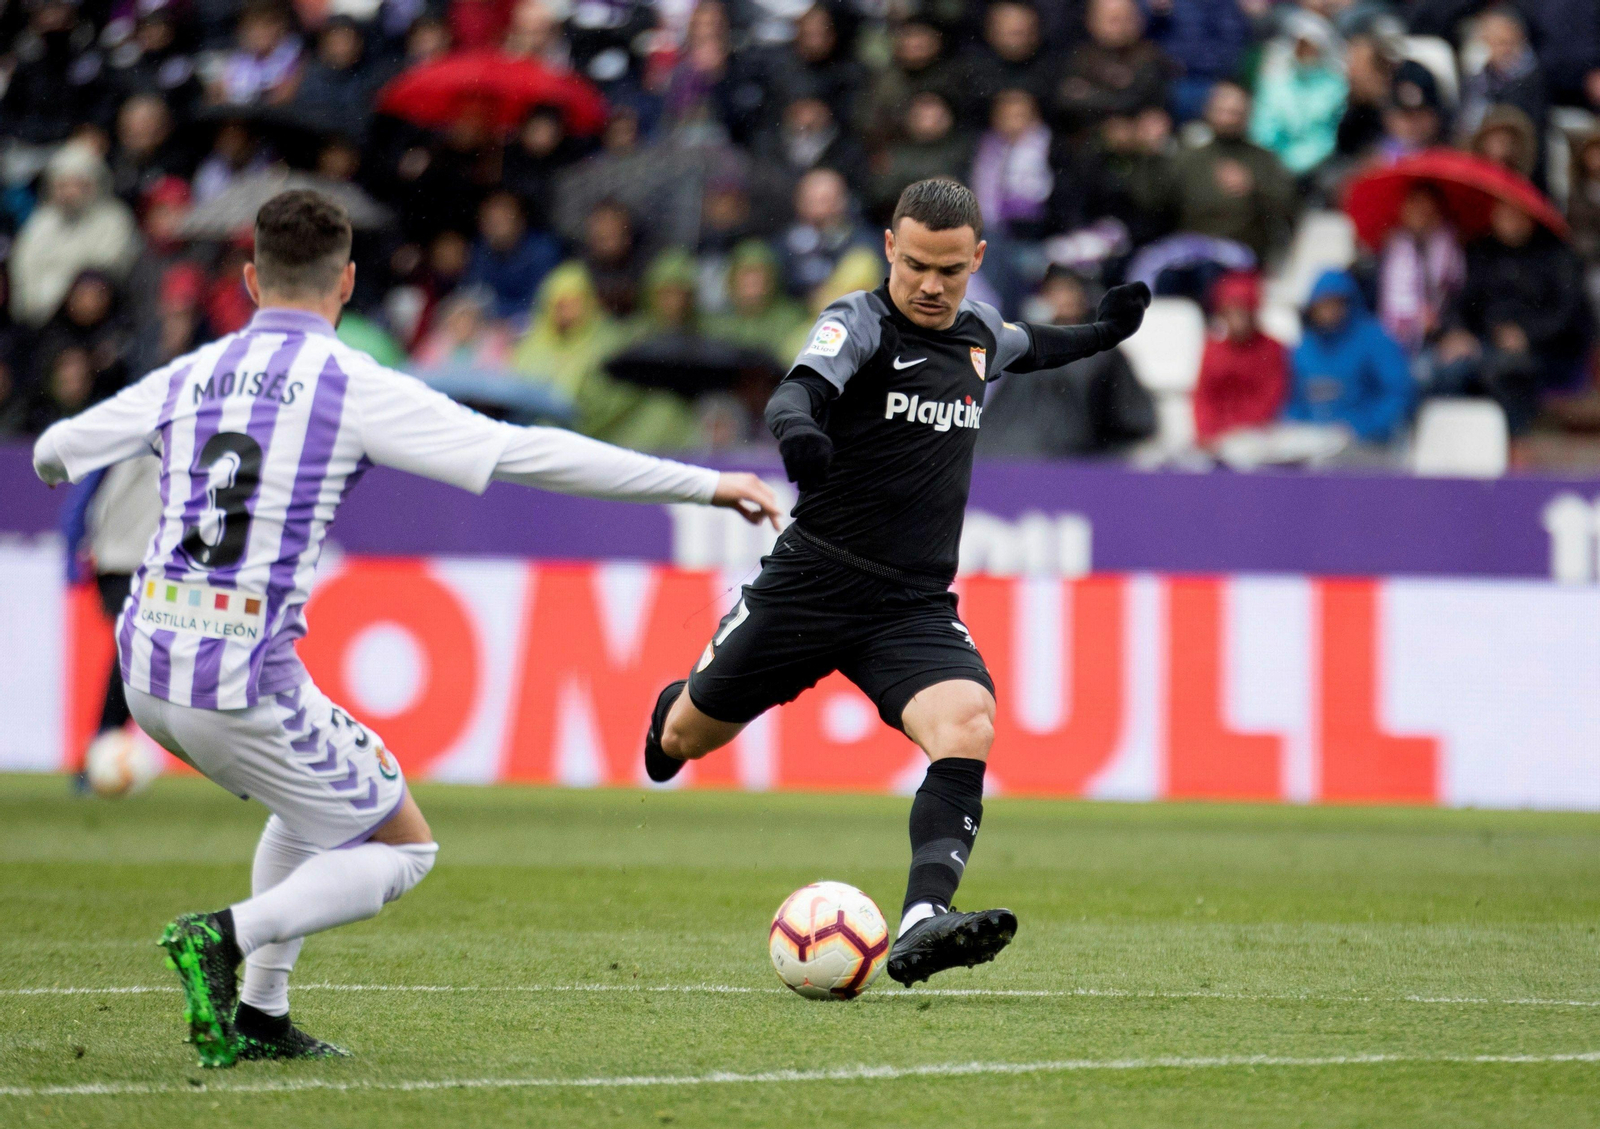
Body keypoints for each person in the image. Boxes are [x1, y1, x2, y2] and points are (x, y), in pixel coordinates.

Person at [30, 190, 781, 1068]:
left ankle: (263, 1016)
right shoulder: (351, 386)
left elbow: (53, 451)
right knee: (403, 844)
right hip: (235, 674)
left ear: (248, 279)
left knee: (313, 808)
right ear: (347, 281)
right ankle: (222, 936)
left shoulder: (189, 374)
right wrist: (703, 484)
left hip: (145, 655)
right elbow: (522, 453)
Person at [639, 180, 1151, 986]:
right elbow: (796, 390)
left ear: (977, 259)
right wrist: (800, 431)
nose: (931, 285)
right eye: (915, 265)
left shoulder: (979, 331)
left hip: (909, 602)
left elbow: (1036, 342)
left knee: (969, 721)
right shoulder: (860, 321)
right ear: (889, 249)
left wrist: (1105, 330)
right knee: (682, 743)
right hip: (811, 583)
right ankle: (676, 705)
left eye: (950, 269)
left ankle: (922, 919)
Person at [975, 268, 1156, 456]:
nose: (1064, 299)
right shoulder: (1028, 343)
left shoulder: (1104, 352)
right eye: (1056, 291)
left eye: (1070, 290)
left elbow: (1130, 418)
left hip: (1081, 455)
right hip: (1021, 451)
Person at [1284, 268, 1412, 445]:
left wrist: (1361, 428)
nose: (1329, 311)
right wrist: (1294, 426)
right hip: (1313, 447)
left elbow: (1398, 393)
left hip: (1367, 446)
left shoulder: (1374, 340)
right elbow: (1293, 400)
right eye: (1323, 304)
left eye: (1335, 303)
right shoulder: (1304, 348)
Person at [1192, 271, 1287, 444]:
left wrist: (1236, 434)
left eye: (1243, 312)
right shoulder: (1212, 349)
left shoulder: (1272, 349)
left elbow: (1270, 397)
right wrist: (1205, 432)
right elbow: (1204, 397)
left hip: (1255, 437)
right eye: (1231, 312)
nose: (1237, 320)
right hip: (1214, 439)